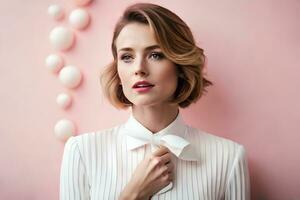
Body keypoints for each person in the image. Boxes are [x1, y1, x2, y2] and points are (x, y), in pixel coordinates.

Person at [60, 3, 250, 200]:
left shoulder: (229, 158)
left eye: (155, 55)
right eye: (127, 57)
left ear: (180, 65)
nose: (139, 68)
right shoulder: (82, 152)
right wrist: (133, 195)